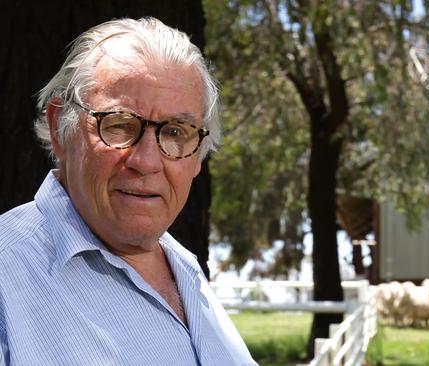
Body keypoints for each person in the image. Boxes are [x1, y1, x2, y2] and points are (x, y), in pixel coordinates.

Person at [0, 17, 256, 365]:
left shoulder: (185, 267)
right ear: (60, 127)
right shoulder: (7, 278)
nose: (147, 161)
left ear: (198, 156)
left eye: (176, 132)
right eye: (119, 125)